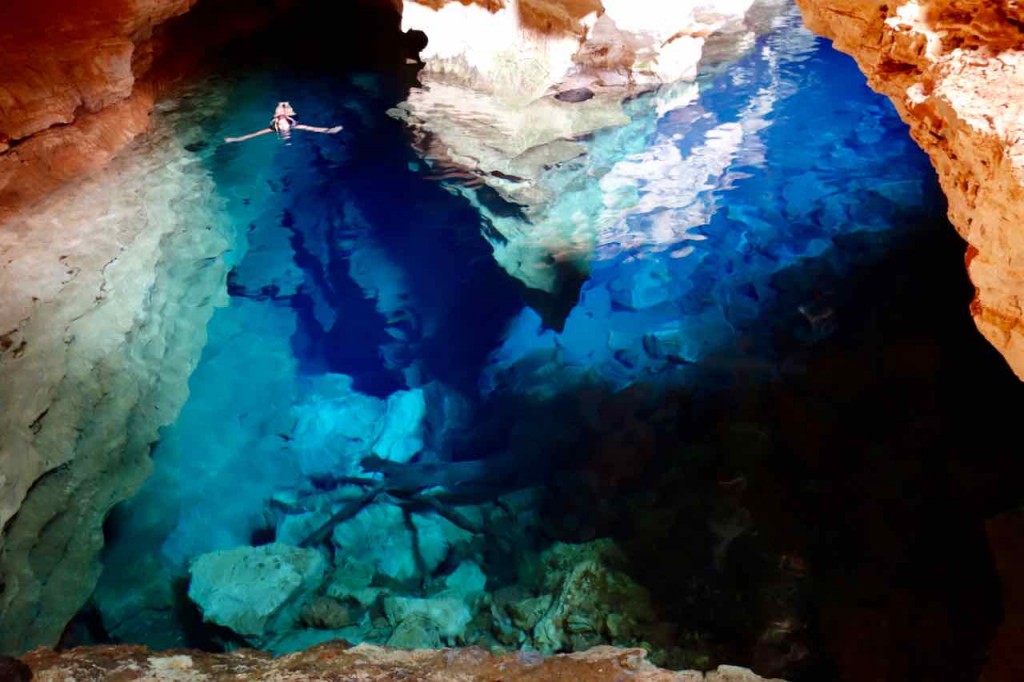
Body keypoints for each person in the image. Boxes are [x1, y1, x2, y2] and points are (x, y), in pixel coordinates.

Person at [224, 102, 342, 143]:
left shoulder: (293, 124)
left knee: (287, 107)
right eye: (281, 125)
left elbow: (312, 128)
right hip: (281, 116)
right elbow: (254, 134)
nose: (283, 127)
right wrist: (237, 139)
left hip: (289, 116)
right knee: (281, 105)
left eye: (284, 124)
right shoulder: (274, 128)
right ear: (277, 124)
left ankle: (284, 104)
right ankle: (282, 103)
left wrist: (329, 131)